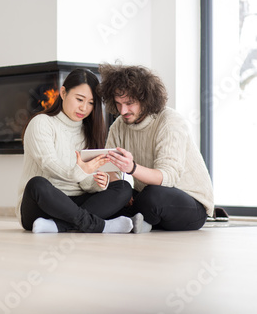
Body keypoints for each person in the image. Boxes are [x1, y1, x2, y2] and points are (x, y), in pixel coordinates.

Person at [98, 63, 214, 232]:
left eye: (130, 103)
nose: (123, 111)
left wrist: (132, 168)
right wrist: (120, 189)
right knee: (111, 195)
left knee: (152, 196)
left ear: (145, 98)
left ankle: (133, 220)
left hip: (190, 203)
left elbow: (168, 177)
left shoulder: (170, 121)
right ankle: (139, 221)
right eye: (118, 104)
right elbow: (109, 167)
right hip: (146, 195)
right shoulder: (119, 125)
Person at [17, 68, 135, 234]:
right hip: (42, 205)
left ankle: (59, 226)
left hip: (75, 205)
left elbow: (84, 182)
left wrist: (97, 183)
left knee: (122, 187)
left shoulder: (88, 131)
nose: (84, 108)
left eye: (91, 103)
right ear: (63, 93)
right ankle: (101, 226)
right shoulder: (41, 123)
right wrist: (81, 170)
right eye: (79, 99)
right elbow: (49, 165)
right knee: (37, 184)